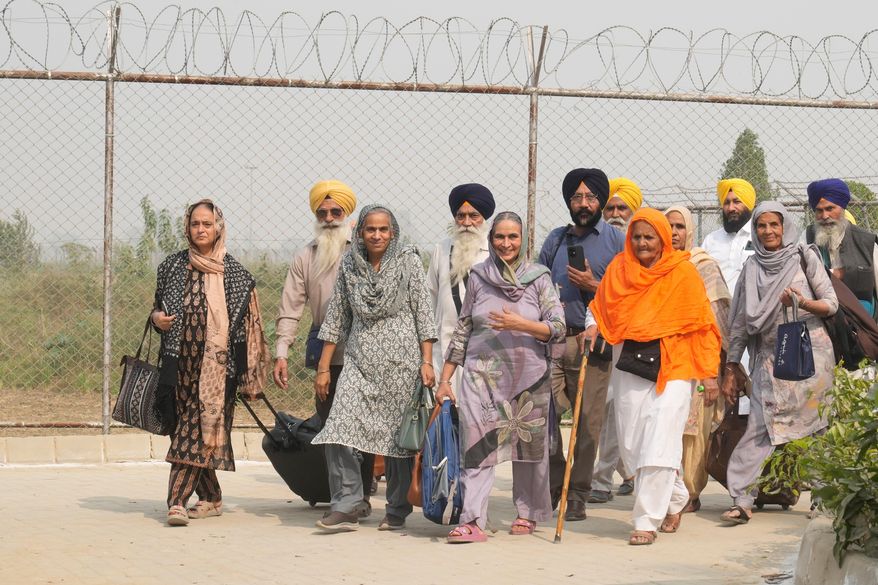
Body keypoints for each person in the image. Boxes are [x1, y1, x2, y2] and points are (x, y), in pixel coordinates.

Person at [585, 208, 722, 545]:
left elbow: (703, 325)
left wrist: (711, 373)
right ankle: (676, 499)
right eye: (637, 236)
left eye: (650, 237)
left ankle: (645, 521)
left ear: (662, 240)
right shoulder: (619, 270)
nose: (643, 243)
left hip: (676, 366)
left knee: (660, 440)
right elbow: (599, 308)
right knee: (632, 445)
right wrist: (592, 329)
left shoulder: (683, 273)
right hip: (630, 364)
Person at [435, 211, 566, 543]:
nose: (506, 243)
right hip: (481, 377)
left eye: (513, 237)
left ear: (523, 241)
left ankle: (528, 512)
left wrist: (523, 326)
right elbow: (463, 329)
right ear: (490, 240)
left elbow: (559, 327)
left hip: (528, 376)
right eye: (499, 237)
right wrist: (445, 378)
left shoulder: (539, 278)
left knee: (528, 451)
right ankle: (473, 520)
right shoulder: (478, 276)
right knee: (477, 447)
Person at [311, 204, 438, 533]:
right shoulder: (350, 265)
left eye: (383, 229)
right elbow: (337, 315)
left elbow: (423, 312)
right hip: (358, 361)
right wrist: (324, 367)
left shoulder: (408, 261)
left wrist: (427, 361)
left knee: (397, 440)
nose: (377, 235)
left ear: (392, 232)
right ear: (361, 232)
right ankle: (347, 502)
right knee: (338, 426)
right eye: (371, 229)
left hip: (403, 364)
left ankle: (396, 508)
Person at [151, 199, 269, 526]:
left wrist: (249, 375)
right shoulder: (172, 267)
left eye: (207, 223)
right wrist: (157, 318)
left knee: (191, 432)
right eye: (195, 224)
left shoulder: (236, 275)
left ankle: (175, 502)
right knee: (191, 434)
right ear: (187, 228)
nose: (201, 229)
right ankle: (212, 498)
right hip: (178, 369)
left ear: (218, 226)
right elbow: (156, 310)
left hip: (218, 374)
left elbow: (249, 329)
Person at [720, 202, 837, 525]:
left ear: (785, 227)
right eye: (762, 226)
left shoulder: (804, 257)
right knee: (760, 427)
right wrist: (732, 365)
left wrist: (801, 302)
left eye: (775, 225)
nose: (769, 231)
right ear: (755, 231)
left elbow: (831, 304)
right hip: (770, 361)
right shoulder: (752, 268)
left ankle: (825, 500)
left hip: (811, 359)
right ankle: (742, 500)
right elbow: (741, 323)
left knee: (819, 429)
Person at [272, 180, 377, 512]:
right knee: (331, 422)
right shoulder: (306, 255)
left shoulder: (364, 251)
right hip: (324, 350)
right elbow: (291, 307)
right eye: (323, 212)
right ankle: (343, 497)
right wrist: (281, 352)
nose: (330, 217)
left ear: (348, 214)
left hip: (365, 348)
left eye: (336, 211)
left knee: (364, 424)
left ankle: (359, 496)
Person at [541, 168, 625, 522]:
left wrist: (594, 283)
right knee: (544, 416)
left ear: (601, 200)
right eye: (577, 198)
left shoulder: (617, 242)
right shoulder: (556, 240)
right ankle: (554, 483)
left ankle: (577, 493)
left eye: (591, 197)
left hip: (594, 341)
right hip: (553, 341)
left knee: (588, 421)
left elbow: (626, 294)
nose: (584, 204)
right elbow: (538, 284)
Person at [664, 205, 732, 513]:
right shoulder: (654, 265)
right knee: (666, 428)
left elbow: (718, 319)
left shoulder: (703, 265)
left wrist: (717, 369)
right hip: (664, 361)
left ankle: (690, 493)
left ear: (689, 231)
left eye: (679, 226)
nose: (674, 233)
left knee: (694, 430)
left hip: (699, 361)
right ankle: (665, 490)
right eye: (669, 227)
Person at [590, 176, 643, 503]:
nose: (615, 213)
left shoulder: (643, 246)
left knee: (629, 411)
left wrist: (591, 284)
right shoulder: (598, 244)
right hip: (602, 336)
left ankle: (617, 474)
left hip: (639, 342)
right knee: (610, 409)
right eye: (609, 207)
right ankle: (603, 478)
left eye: (622, 207)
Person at [427, 183, 494, 389]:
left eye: (473, 216)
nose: (466, 222)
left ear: (484, 217)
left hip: (484, 346)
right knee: (445, 412)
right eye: (460, 216)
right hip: (444, 346)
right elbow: (431, 296)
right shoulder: (442, 248)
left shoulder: (495, 250)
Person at [805, 178, 878, 318]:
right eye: (819, 210)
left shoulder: (866, 243)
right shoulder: (806, 239)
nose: (825, 216)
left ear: (842, 208)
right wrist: (835, 274)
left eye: (830, 209)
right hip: (821, 322)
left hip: (862, 325)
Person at [701, 178, 757, 295]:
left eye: (737, 202)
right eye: (726, 203)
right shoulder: (711, 240)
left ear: (748, 204)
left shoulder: (759, 236)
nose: (731, 208)